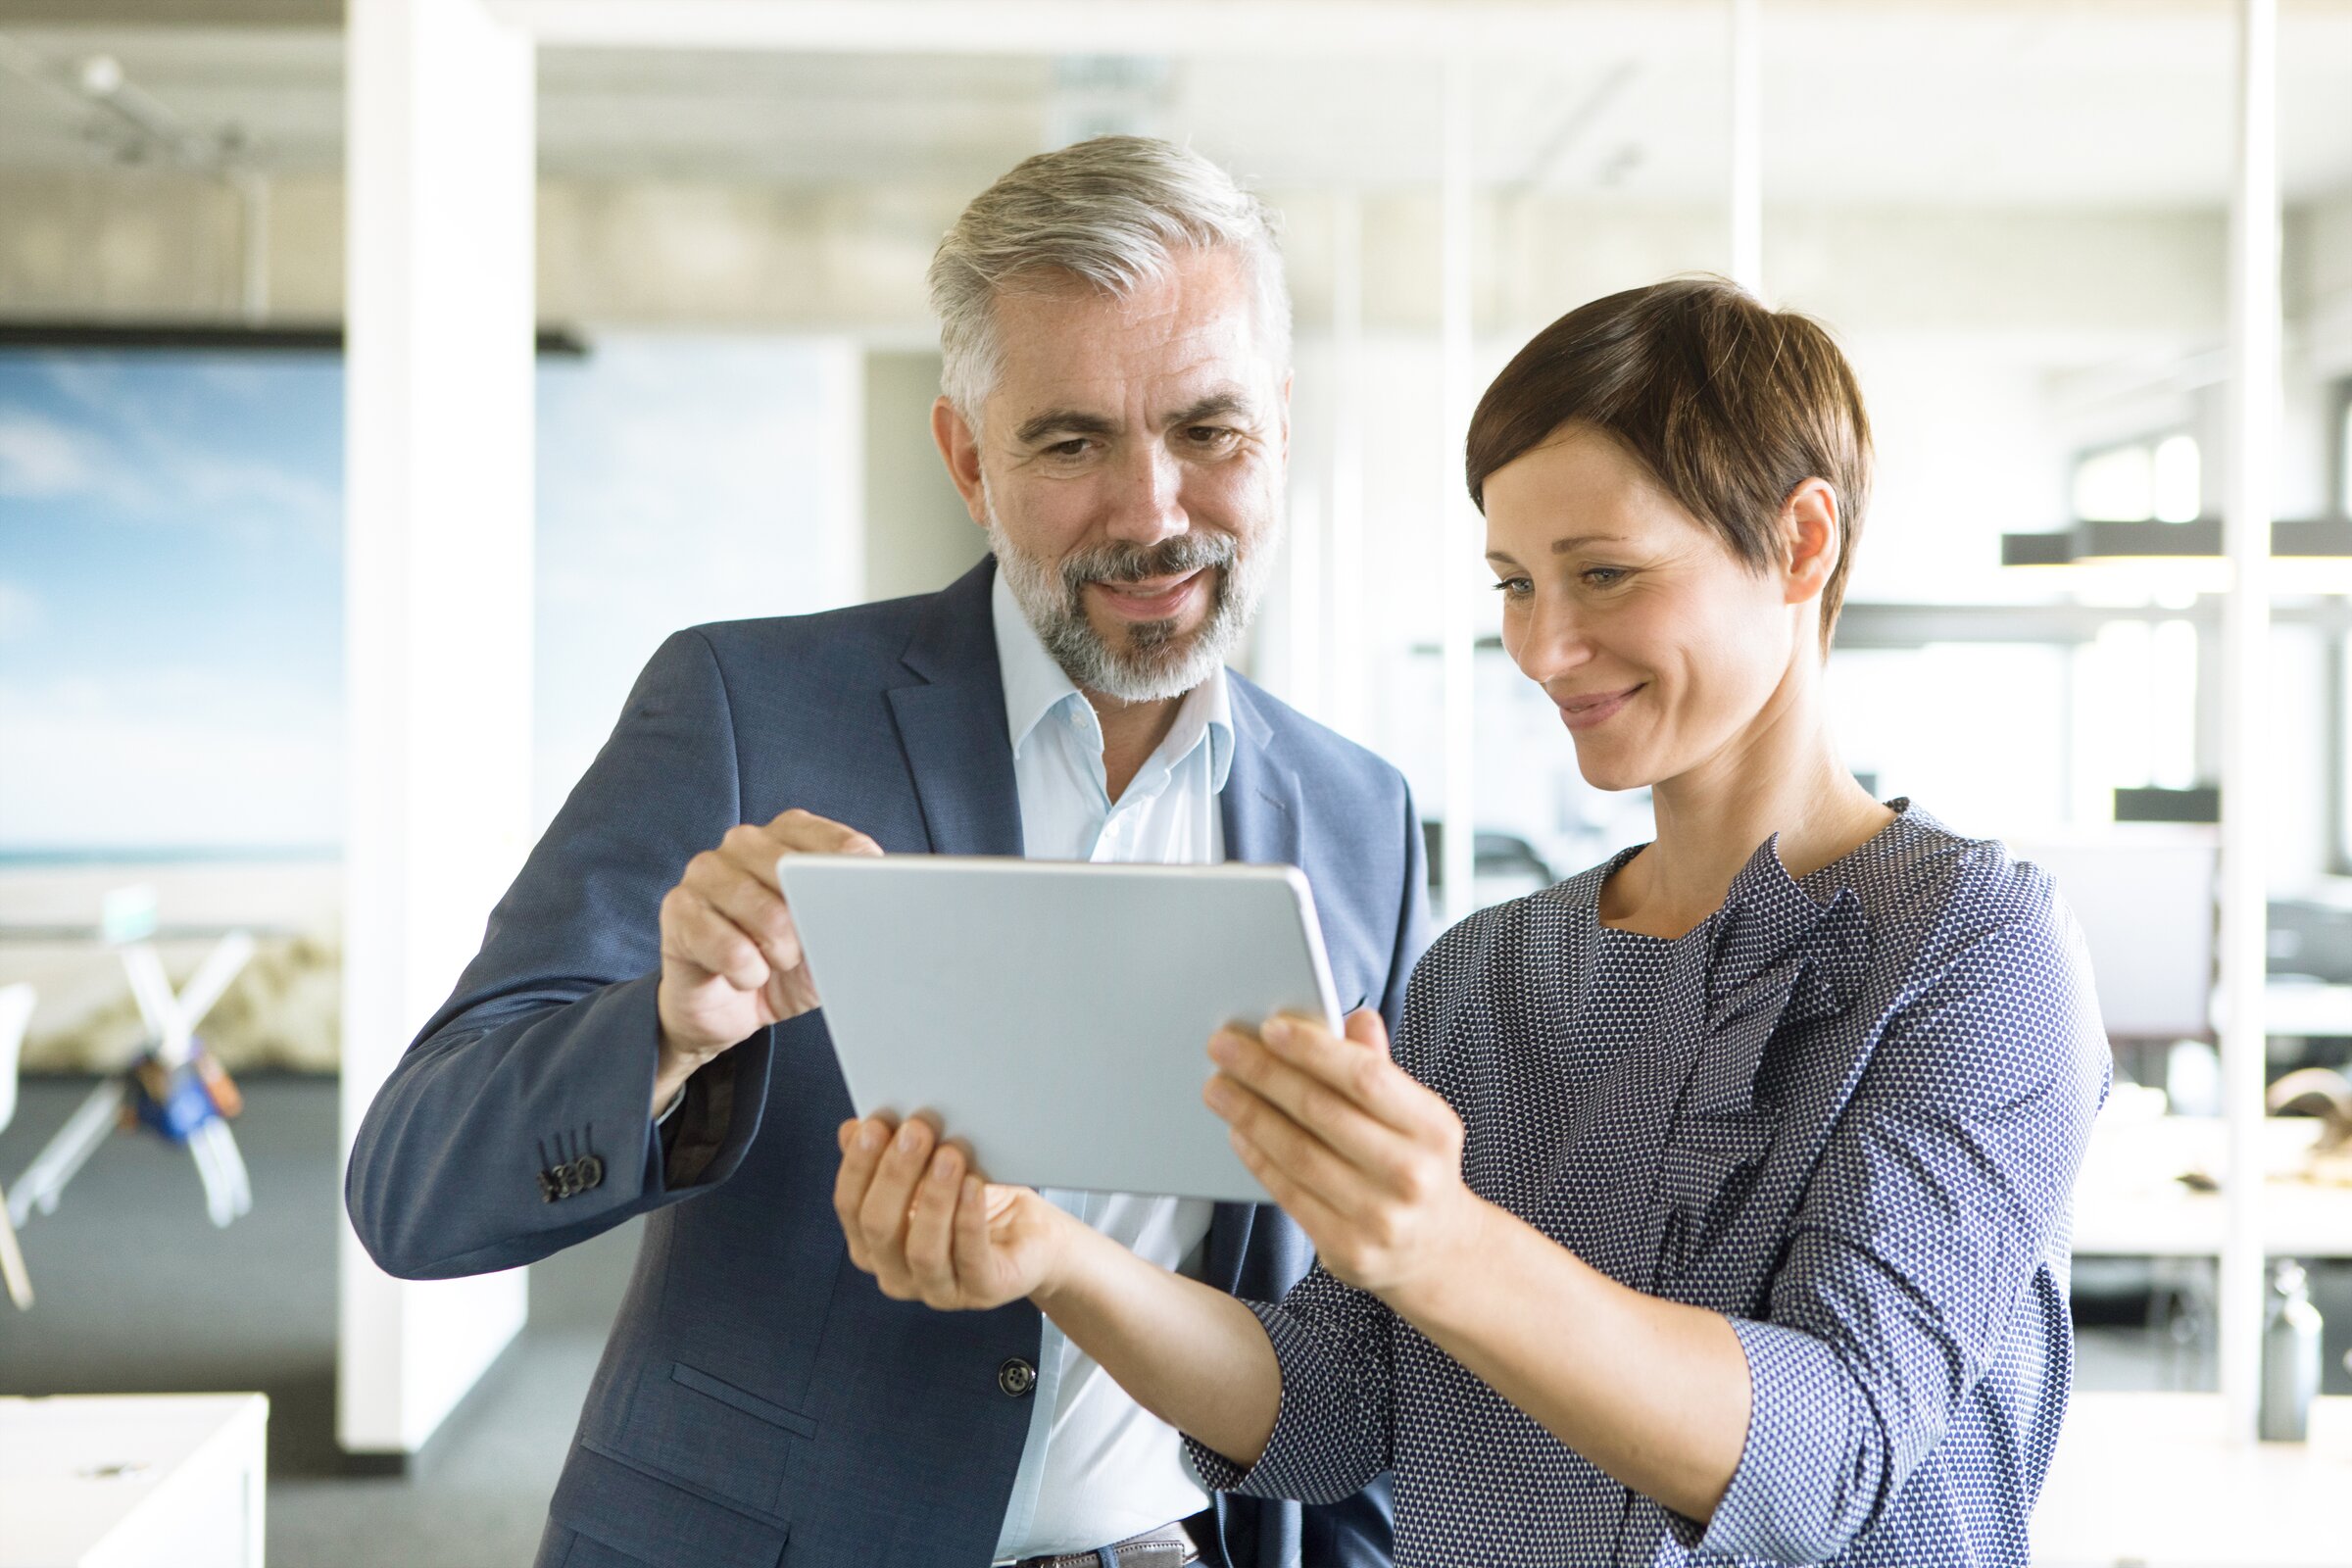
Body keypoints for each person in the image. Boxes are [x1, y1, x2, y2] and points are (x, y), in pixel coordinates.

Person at [833, 277, 2112, 1568]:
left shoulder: (1973, 955)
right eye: (1514, 583)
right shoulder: (1486, 975)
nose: (1545, 648)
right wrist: (1053, 1255)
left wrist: (1442, 1242)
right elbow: (1332, 1408)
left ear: (1801, 542)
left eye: (1603, 574)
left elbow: (1830, 1452)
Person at [345, 136, 1427, 1568]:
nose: (1154, 510)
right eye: (1071, 440)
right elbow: (413, 1190)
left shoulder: (1361, 816)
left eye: (1209, 429)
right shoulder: (743, 710)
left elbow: (1355, 1322)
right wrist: (668, 1034)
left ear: (1279, 427)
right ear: (968, 458)